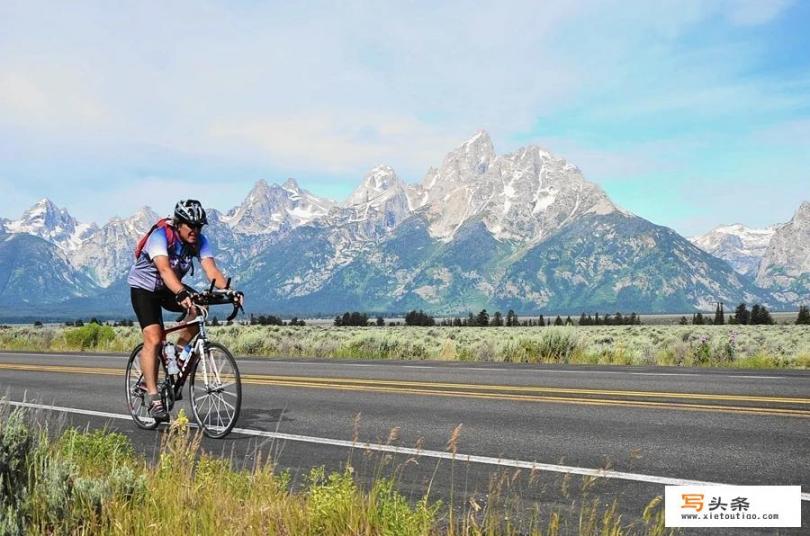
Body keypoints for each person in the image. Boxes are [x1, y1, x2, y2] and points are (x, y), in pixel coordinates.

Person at [127, 199, 243, 422]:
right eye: (191, 225)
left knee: (201, 307)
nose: (195, 230)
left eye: (199, 226)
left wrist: (230, 291)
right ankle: (153, 398)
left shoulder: (199, 241)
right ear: (178, 224)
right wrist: (181, 293)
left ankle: (179, 354)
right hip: (145, 288)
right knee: (153, 337)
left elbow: (212, 271)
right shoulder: (160, 236)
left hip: (170, 287)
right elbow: (163, 269)